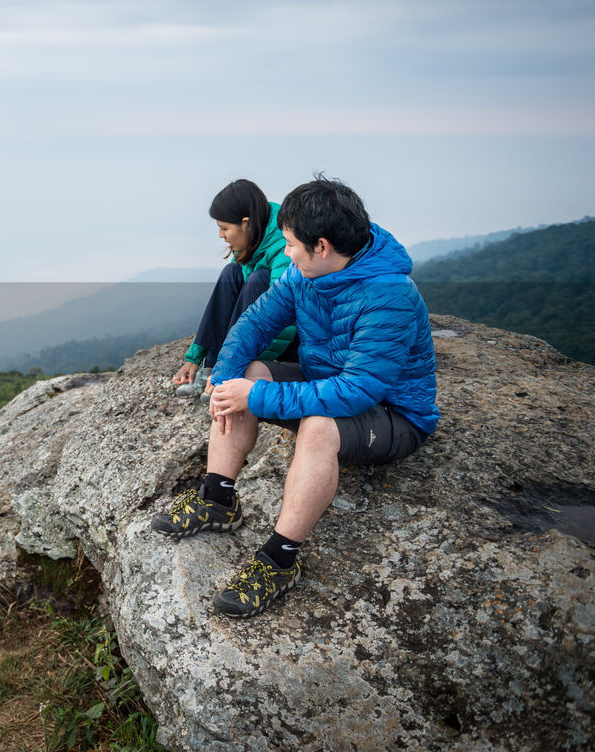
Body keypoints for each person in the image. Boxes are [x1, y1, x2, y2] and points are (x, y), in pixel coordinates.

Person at [153, 176, 439, 618]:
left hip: (392, 414)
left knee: (319, 427)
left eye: (290, 244)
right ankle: (217, 497)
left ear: (321, 246)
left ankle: (280, 560)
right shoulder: (305, 274)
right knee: (244, 375)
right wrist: (227, 380)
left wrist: (260, 397)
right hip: (328, 381)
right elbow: (255, 323)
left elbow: (357, 390)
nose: (284, 253)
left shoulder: (389, 296)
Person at [172, 179, 297, 398]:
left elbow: (284, 315)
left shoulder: (281, 243)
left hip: (287, 338)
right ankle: (210, 367)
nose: (221, 235)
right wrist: (194, 357)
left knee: (259, 279)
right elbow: (224, 303)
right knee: (230, 273)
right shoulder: (252, 240)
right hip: (253, 339)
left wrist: (232, 368)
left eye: (224, 228)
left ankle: (225, 372)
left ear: (246, 223)